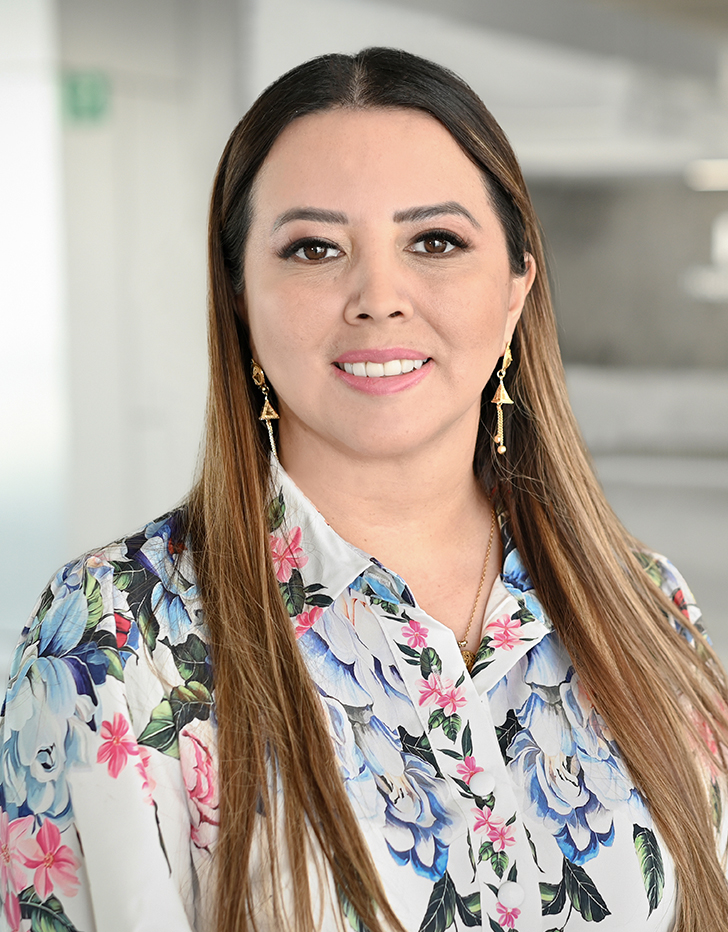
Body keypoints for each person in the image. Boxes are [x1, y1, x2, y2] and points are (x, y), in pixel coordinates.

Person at [0, 47, 726, 932]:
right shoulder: (115, 643)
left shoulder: (646, 606)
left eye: (435, 241)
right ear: (239, 294)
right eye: (314, 248)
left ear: (515, 285)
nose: (378, 298)